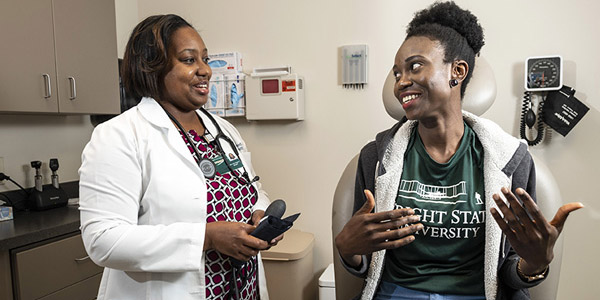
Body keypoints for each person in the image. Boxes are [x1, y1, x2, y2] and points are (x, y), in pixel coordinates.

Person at [334, 2, 583, 300]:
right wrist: (348, 251)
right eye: (397, 72)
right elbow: (364, 260)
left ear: (457, 71)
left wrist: (535, 263)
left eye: (414, 66)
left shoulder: (510, 161)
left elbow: (510, 272)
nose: (401, 82)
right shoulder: (375, 158)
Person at [79, 14, 280, 300]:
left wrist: (260, 215)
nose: (205, 70)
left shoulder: (223, 130)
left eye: (205, 59)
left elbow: (251, 189)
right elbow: (104, 240)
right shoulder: (120, 135)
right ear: (152, 67)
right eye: (189, 60)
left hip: (241, 288)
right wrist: (206, 238)